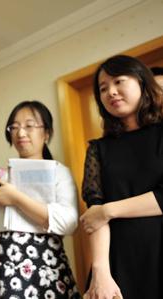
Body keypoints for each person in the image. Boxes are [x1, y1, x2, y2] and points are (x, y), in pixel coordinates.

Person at [0, 100, 80, 298]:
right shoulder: (0, 176)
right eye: (14, 127)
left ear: (46, 133)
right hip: (3, 259)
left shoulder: (59, 172)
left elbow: (69, 223)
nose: (21, 133)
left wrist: (15, 198)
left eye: (29, 126)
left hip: (46, 261)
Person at [80, 55, 163, 299]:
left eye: (119, 82)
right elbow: (94, 214)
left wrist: (109, 210)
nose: (111, 92)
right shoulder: (98, 148)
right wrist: (101, 272)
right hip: (118, 259)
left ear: (141, 82)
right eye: (103, 89)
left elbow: (102, 212)